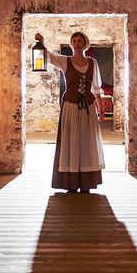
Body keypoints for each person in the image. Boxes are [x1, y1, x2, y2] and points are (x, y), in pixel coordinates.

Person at [34, 31, 106, 193]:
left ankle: (86, 181)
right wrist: (42, 42)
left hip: (88, 106)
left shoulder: (92, 63)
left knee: (87, 141)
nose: (77, 42)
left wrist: (100, 109)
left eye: (80, 40)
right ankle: (70, 180)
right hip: (70, 106)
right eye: (74, 40)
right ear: (71, 43)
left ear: (85, 43)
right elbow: (50, 57)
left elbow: (96, 88)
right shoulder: (65, 61)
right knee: (71, 140)